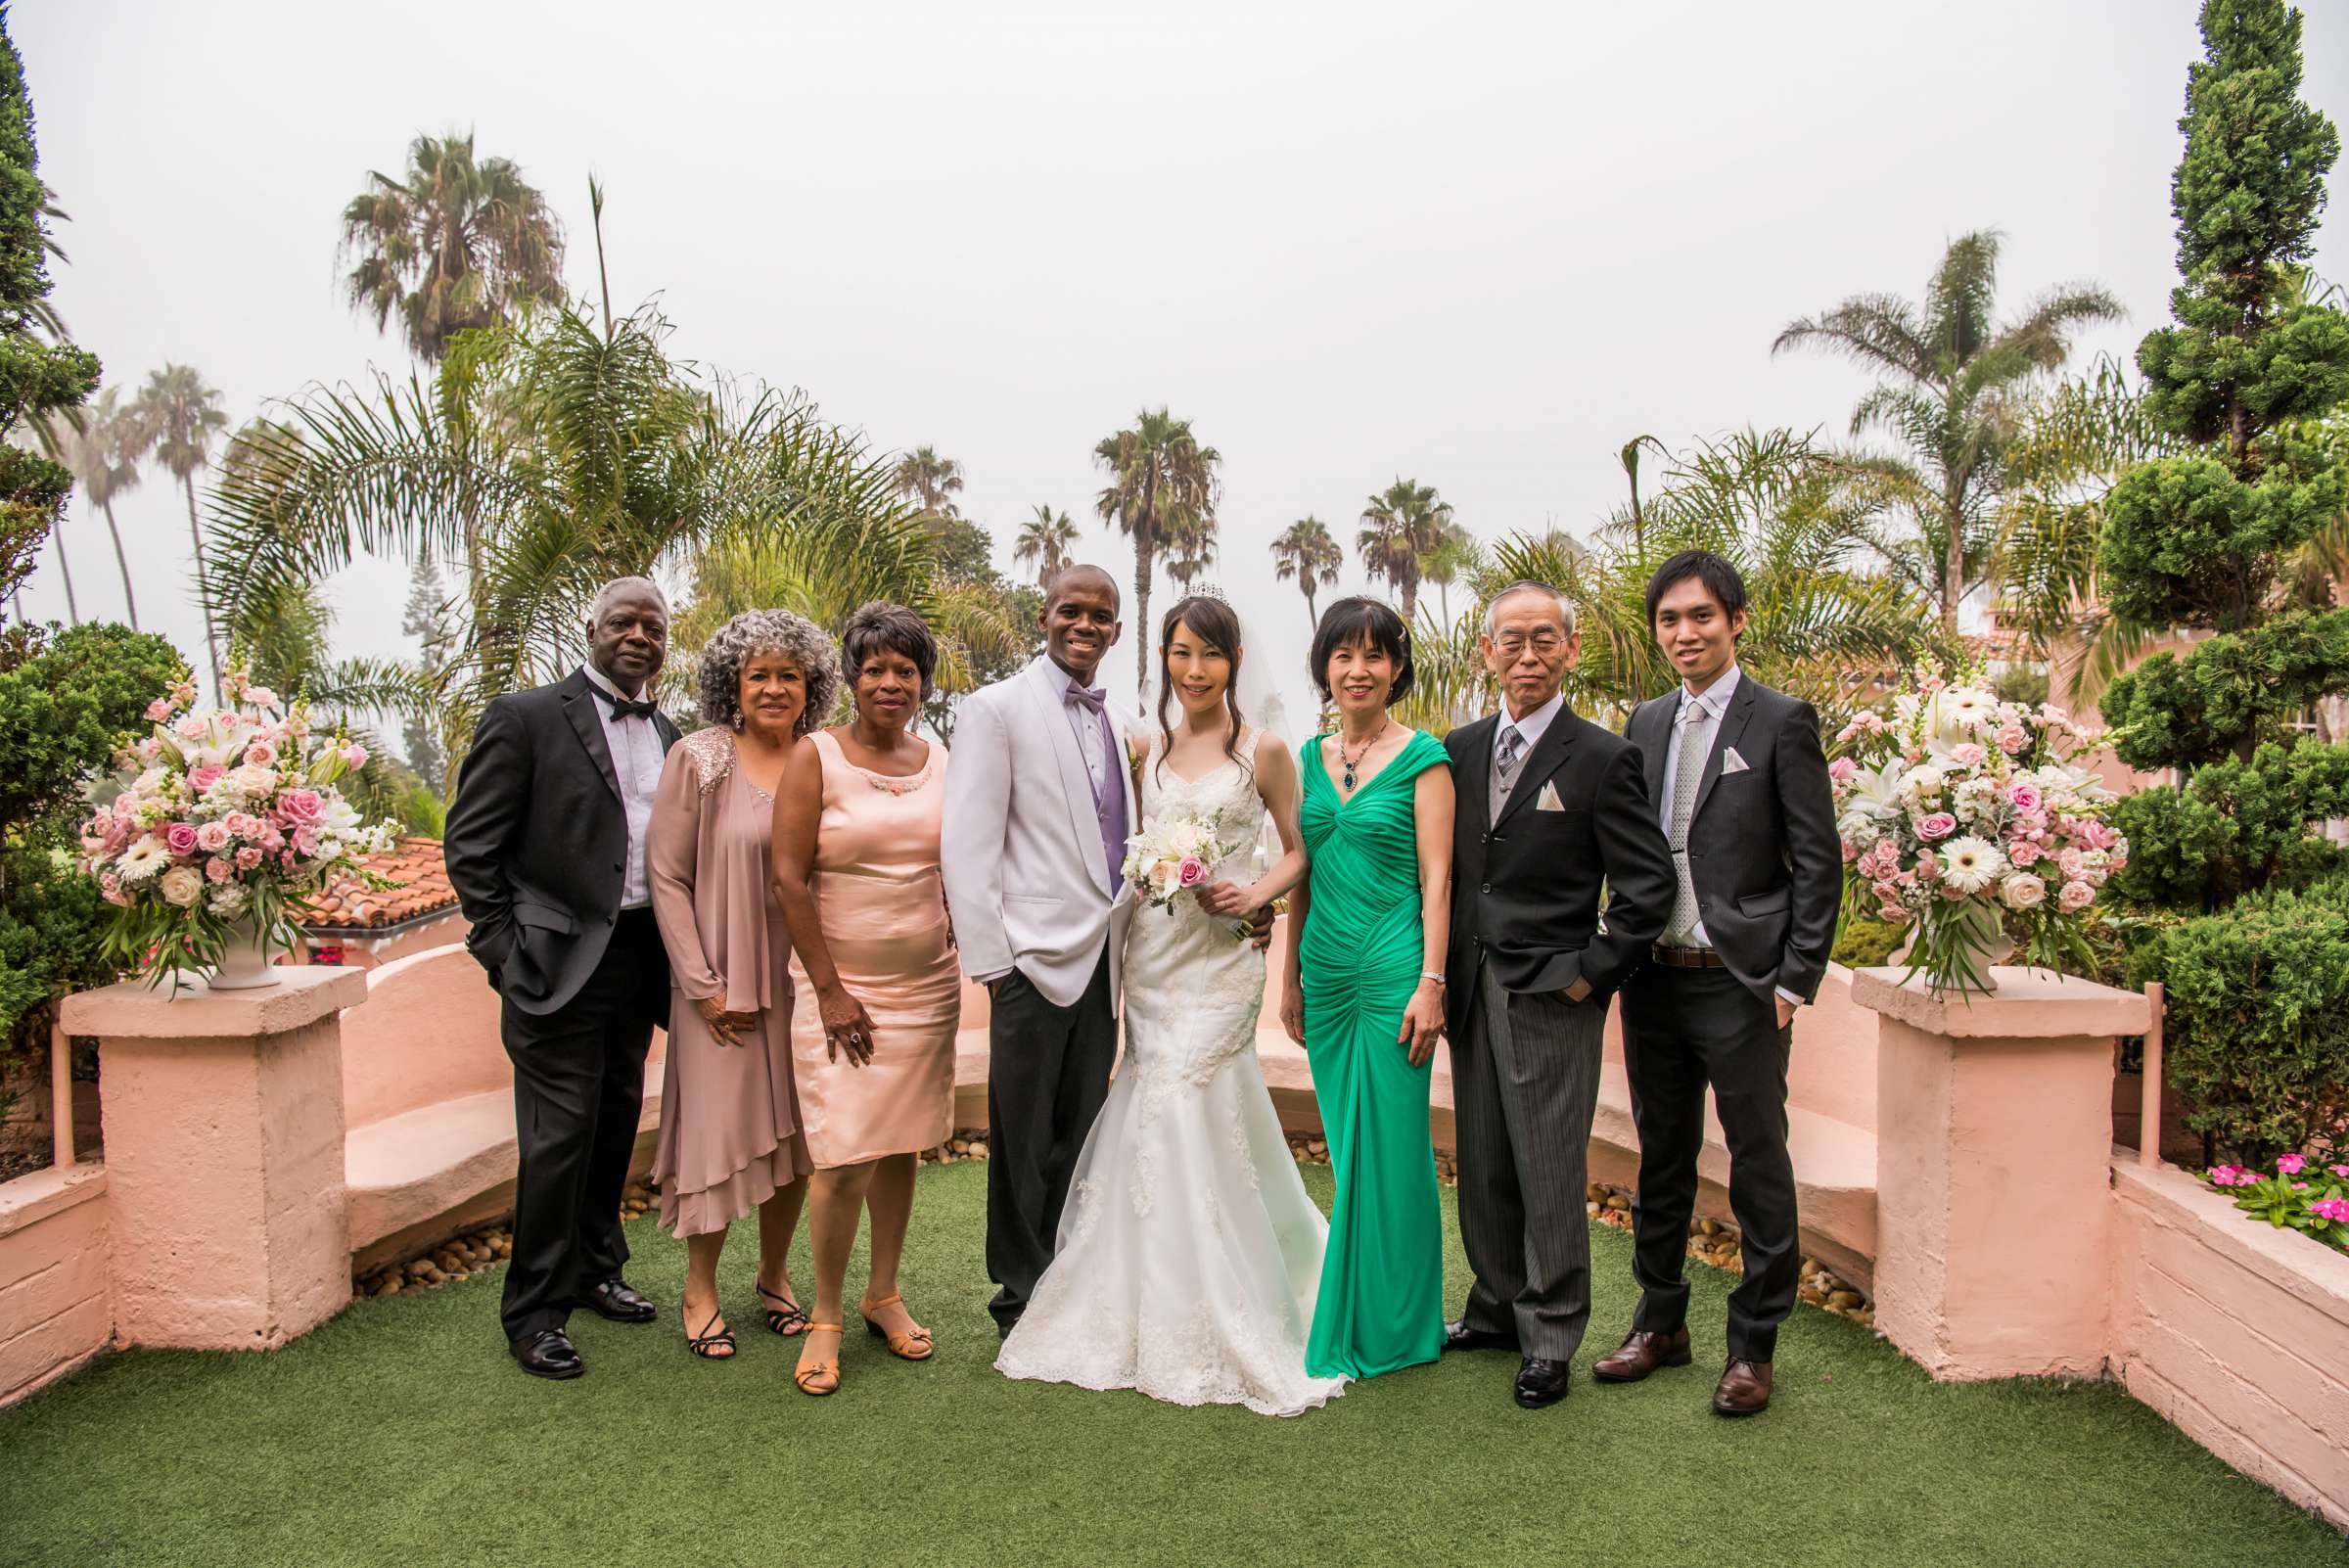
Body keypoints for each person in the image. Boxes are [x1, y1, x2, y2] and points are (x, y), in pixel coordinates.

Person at [997, 595, 1343, 1416]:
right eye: (1182, 654)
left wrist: (1255, 895)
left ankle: (1227, 1297)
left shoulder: (1263, 751)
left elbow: (1299, 851)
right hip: (1152, 959)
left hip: (1221, 962)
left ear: (1234, 664)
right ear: (1163, 657)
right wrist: (1155, 870)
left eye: (1211, 656)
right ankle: (1141, 1290)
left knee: (1188, 1097)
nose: (1195, 671)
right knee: (1153, 1098)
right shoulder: (1141, 747)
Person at [1600, 551, 1840, 1417]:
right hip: (1654, 980)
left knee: (1757, 1165)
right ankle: (1661, 1323)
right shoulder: (1645, 720)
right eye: (1669, 620)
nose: (1684, 633)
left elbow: (1818, 863)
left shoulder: (1780, 721)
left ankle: (1753, 1348)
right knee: (1658, 1158)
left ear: (1734, 620)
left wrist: (1792, 983)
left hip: (1742, 984)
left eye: (1700, 616)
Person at [1439, 580, 1678, 1408]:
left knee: (1546, 1170)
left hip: (1551, 995)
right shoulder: (1459, 749)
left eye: (1545, 639)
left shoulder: (1605, 756)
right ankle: (1498, 1306)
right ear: (1487, 652)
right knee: (1484, 1164)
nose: (1527, 654)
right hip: (1471, 991)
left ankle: (1551, 1336)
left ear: (1571, 650)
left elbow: (1646, 891)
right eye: (1512, 640)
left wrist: (1587, 971)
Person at [443, 576, 680, 1380]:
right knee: (558, 1134)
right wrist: (504, 952)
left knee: (615, 1119)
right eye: (623, 621)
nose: (638, 635)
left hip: (640, 959)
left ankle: (596, 1271)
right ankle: (534, 1311)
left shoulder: (670, 732)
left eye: (653, 625)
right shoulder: (527, 717)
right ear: (592, 628)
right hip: (552, 964)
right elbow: (472, 847)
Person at [941, 566, 1140, 1340]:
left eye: (1100, 615)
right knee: (1020, 1140)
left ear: (1117, 631)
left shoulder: (1122, 721)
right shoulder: (994, 710)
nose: (1084, 625)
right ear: (1044, 615)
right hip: (1027, 961)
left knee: (1079, 1132)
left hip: (1104, 963)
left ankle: (1067, 1279)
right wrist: (995, 965)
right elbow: (967, 843)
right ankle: (1018, 1298)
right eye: (1071, 611)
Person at [773, 603, 960, 1397]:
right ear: (851, 678)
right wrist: (830, 991)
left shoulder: (941, 756)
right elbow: (787, 877)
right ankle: (824, 1313)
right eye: (876, 668)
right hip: (845, 992)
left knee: (899, 1146)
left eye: (906, 670)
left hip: (929, 986)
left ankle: (884, 1293)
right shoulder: (815, 758)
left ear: (923, 684)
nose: (891, 682)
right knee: (844, 1155)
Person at [644, 611, 831, 1360]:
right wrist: (700, 984)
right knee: (718, 1135)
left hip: (801, 980)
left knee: (798, 1134)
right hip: (721, 984)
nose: (776, 688)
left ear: (810, 684)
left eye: (790, 675)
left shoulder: (821, 759)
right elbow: (666, 875)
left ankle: (776, 1276)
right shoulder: (700, 758)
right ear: (733, 683)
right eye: (761, 675)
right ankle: (698, 1287)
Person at [1282, 596, 1454, 1382]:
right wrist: (1290, 978)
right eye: (1344, 655)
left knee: (1394, 1147)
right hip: (1325, 974)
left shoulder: (1425, 758)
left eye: (1375, 655)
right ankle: (1354, 1303)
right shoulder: (1306, 756)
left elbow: (1439, 878)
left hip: (1395, 973)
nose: (1359, 669)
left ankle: (1399, 1324)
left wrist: (1432, 983)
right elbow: (1301, 873)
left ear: (1397, 669)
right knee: (1350, 1152)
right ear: (1325, 666)